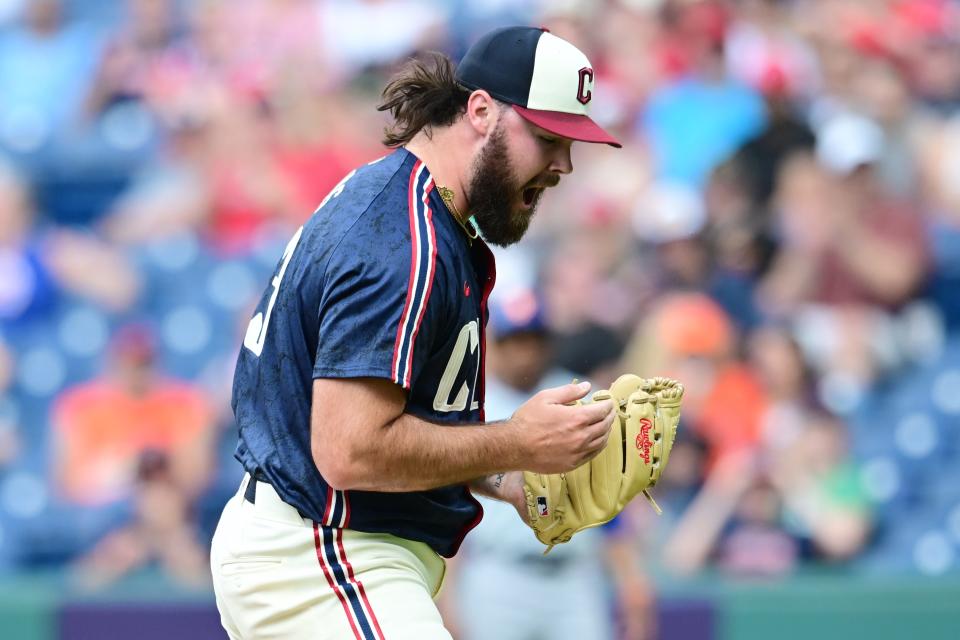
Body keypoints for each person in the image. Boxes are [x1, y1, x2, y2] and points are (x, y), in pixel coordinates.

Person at [210, 26, 621, 640]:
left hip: (331, 550)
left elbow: (404, 424)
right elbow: (349, 449)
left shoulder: (422, 213)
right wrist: (516, 442)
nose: (563, 164)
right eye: (547, 138)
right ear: (481, 111)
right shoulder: (402, 241)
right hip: (321, 550)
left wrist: (506, 478)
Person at [442, 289, 654, 640]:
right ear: (495, 342)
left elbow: (608, 497)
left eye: (534, 340)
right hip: (498, 574)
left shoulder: (580, 395)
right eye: (516, 340)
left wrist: (631, 579)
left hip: (573, 579)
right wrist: (448, 597)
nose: (526, 352)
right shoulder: (469, 401)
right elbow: (451, 508)